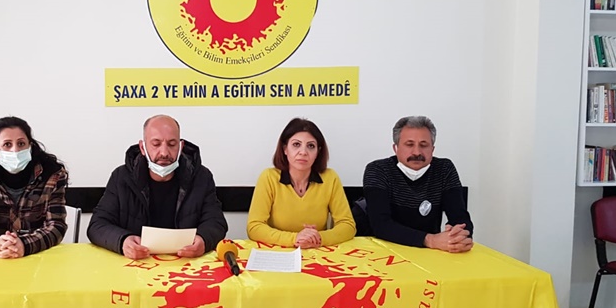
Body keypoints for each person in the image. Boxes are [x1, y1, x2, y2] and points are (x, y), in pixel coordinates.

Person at [87, 115, 228, 259]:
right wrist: (123, 241)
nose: (164, 153)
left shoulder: (201, 176)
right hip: (137, 264)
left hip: (185, 264)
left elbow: (216, 222)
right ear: (142, 148)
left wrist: (204, 239)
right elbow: (97, 225)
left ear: (181, 147)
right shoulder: (121, 177)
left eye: (172, 144)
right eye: (156, 144)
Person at [0, 116, 69, 258]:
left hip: (40, 256)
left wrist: (24, 245)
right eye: (7, 144)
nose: (15, 150)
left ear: (30, 147)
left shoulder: (52, 174)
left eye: (21, 144)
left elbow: (56, 227)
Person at [363, 116, 474, 253]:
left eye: (423, 145)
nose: (417, 152)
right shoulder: (378, 170)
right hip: (384, 252)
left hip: (429, 254)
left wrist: (458, 236)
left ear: (432, 149)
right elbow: (381, 225)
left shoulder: (444, 169)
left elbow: (461, 218)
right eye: (409, 144)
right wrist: (430, 240)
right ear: (395, 148)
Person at [247, 118, 356, 248]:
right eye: (296, 144)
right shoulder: (269, 177)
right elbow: (254, 227)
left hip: (317, 251)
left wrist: (318, 238)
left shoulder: (330, 178)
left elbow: (348, 225)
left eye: (311, 146)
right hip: (277, 252)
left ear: (318, 152)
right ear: (285, 149)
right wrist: (295, 238)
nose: (303, 152)